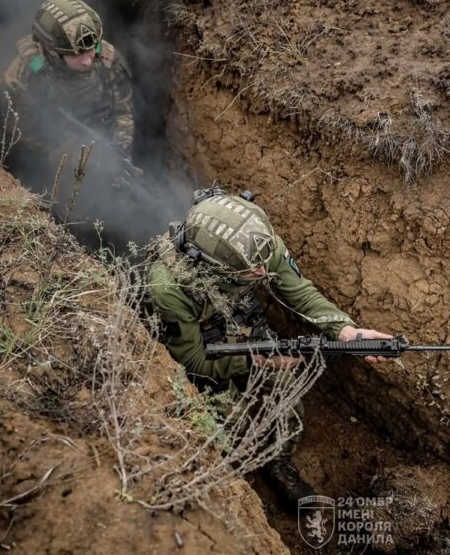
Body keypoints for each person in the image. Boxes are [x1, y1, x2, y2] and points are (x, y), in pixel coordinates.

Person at [146, 187, 391, 504]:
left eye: (264, 262)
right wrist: (252, 361)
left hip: (238, 323)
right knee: (228, 428)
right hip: (200, 350)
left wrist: (344, 330)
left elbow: (300, 292)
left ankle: (279, 464)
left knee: (287, 393)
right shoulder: (167, 287)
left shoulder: (256, 245)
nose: (263, 271)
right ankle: (241, 483)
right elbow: (190, 359)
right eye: (252, 271)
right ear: (210, 265)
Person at [2, 0, 134, 154]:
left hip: (96, 139)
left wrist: (120, 150)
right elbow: (20, 130)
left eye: (91, 50)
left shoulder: (109, 61)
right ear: (52, 51)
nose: (87, 61)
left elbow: (122, 113)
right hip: (46, 145)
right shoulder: (28, 72)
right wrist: (57, 153)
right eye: (76, 55)